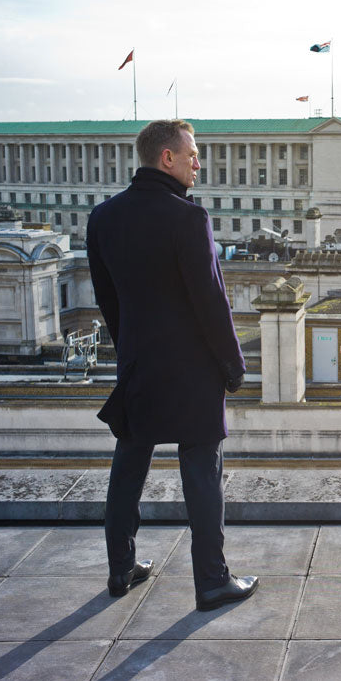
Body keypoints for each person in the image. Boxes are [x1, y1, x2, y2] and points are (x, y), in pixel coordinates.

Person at [86, 119, 258, 611]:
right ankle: (211, 581)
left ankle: (121, 568)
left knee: (129, 462)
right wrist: (232, 363)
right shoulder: (188, 218)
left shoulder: (103, 217)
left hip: (139, 361)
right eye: (192, 154)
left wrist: (131, 348)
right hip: (192, 368)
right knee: (201, 471)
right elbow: (211, 301)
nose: (198, 163)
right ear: (167, 158)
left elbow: (107, 299)